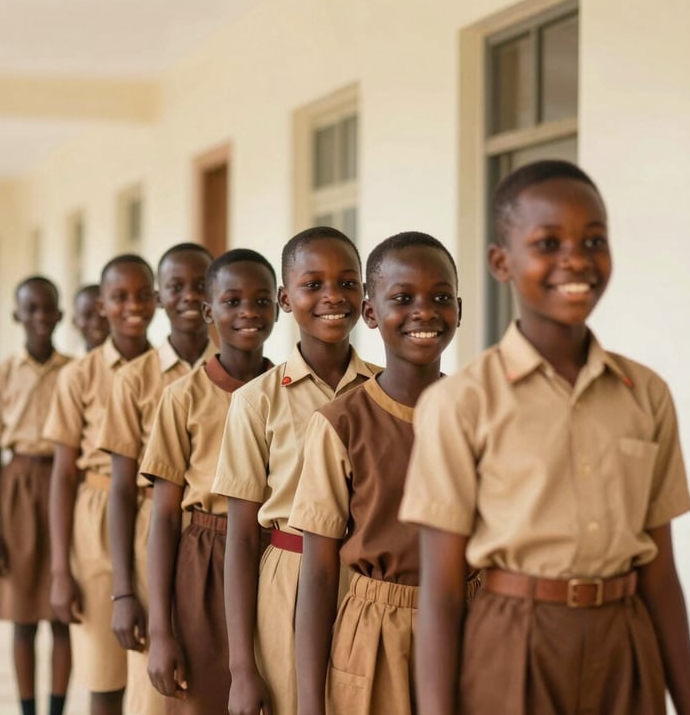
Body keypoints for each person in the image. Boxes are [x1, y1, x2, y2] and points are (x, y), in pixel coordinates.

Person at [399, 160, 690, 715]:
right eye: (548, 242)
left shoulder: (646, 394)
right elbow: (441, 593)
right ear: (501, 262)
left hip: (625, 642)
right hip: (515, 644)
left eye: (593, 240)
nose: (576, 259)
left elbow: (661, 573)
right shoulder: (461, 402)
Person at [290, 232, 461, 715]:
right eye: (402, 299)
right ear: (369, 313)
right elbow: (320, 575)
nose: (424, 312)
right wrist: (309, 703)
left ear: (460, 310)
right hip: (377, 635)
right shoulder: (339, 424)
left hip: (472, 625)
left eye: (440, 297)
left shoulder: (481, 414)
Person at [211, 226, 380, 715]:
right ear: (286, 298)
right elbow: (241, 539)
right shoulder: (255, 401)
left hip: (369, 584)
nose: (332, 297)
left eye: (348, 283)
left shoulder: (383, 391)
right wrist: (241, 668)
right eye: (313, 285)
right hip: (289, 580)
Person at [142, 248, 279, 715]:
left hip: (276, 556)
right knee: (206, 699)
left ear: (279, 308)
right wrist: (160, 630)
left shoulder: (288, 390)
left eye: (261, 301)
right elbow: (163, 516)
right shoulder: (181, 398)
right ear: (209, 311)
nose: (248, 312)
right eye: (232, 301)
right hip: (204, 560)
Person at [98, 243, 215, 715]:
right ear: (159, 299)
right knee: (155, 686)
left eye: (201, 285)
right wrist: (124, 592)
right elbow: (123, 491)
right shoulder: (133, 379)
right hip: (155, 535)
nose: (189, 295)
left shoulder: (241, 370)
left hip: (220, 538)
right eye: (175, 287)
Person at [44, 254, 156, 715]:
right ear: (102, 306)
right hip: (97, 514)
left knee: (158, 666)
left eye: (141, 295)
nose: (132, 305)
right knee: (103, 674)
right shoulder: (78, 376)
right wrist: (59, 570)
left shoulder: (174, 371)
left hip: (157, 511)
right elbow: (64, 473)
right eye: (119, 297)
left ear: (157, 300)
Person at [0, 276, 72, 715]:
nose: (39, 318)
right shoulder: (0, 376)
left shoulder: (74, 370)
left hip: (65, 483)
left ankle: (56, 707)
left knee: (64, 612)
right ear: (17, 316)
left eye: (47, 308)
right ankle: (28, 709)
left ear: (60, 314)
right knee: (22, 616)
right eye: (30, 309)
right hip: (18, 486)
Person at [72, 284, 109, 352]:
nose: (96, 323)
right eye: (87, 315)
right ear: (74, 321)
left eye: (104, 315)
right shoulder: (68, 362)